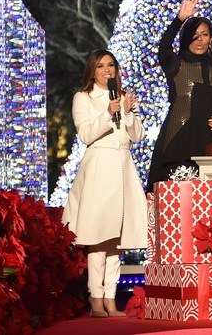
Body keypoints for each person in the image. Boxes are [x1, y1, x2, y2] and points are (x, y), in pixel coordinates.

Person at [61, 50, 148, 318]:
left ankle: (110, 297)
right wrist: (110, 113)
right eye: (101, 66)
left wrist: (129, 112)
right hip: (99, 168)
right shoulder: (83, 97)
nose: (107, 70)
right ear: (92, 70)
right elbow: (86, 134)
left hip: (122, 167)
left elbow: (137, 135)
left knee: (116, 242)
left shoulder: (122, 97)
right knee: (98, 238)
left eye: (111, 65)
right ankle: (95, 297)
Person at [145, 0, 212, 192]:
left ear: (211, 39)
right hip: (178, 144)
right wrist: (180, 19)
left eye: (204, 35)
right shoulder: (176, 65)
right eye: (194, 35)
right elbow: (163, 48)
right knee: (175, 205)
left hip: (210, 149)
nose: (199, 40)